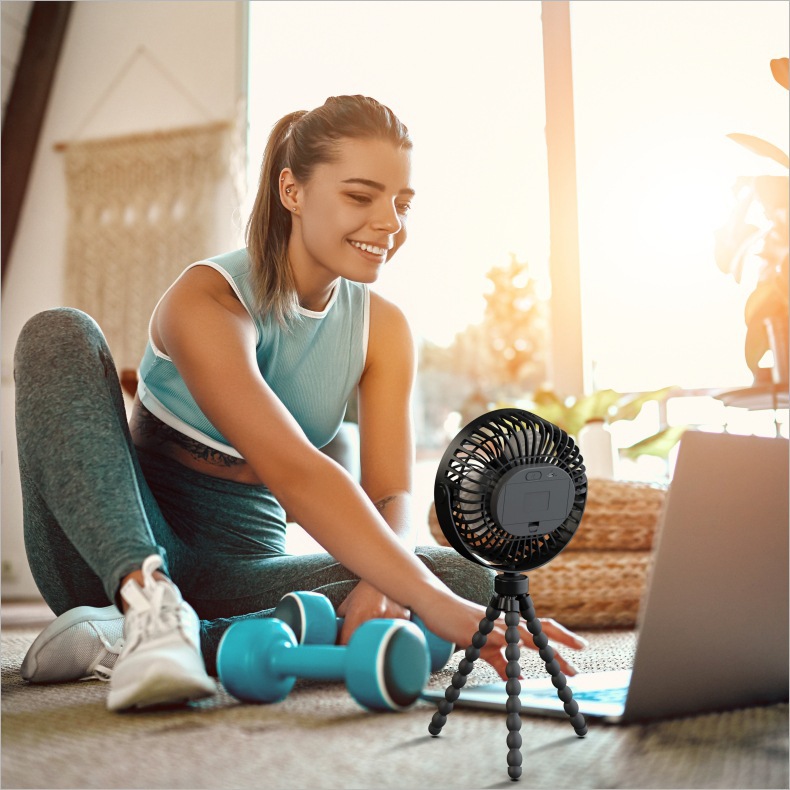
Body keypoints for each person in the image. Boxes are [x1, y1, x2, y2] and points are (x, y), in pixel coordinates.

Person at [15, 95, 585, 712]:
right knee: (59, 331)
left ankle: (155, 639)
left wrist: (385, 582)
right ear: (293, 191)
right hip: (112, 550)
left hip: (242, 571)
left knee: (462, 577)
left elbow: (390, 494)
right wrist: (433, 604)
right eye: (362, 196)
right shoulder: (207, 297)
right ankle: (145, 607)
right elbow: (292, 468)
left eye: (402, 203)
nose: (390, 222)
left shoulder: (384, 330)